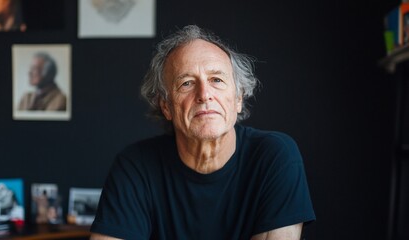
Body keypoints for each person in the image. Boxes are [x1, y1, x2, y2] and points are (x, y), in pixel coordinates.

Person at [90, 25, 315, 240]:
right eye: (187, 83)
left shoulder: (275, 156)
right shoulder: (135, 166)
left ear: (238, 99)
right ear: (166, 106)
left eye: (217, 80)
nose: (204, 94)